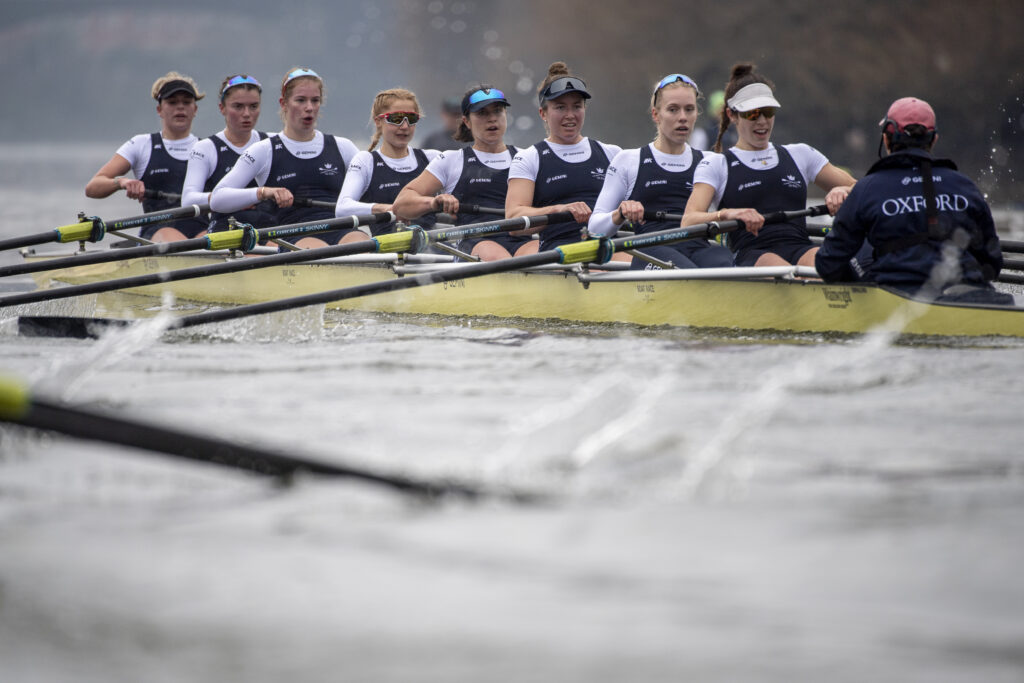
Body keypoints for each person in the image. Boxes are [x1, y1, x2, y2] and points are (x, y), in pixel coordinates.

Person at [815, 97, 1010, 304]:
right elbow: (993, 263)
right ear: (933, 140)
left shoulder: (867, 189)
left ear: (887, 138)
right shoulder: (965, 186)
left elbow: (828, 264)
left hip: (894, 298)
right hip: (968, 298)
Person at [682, 63, 855, 268]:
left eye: (768, 111)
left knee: (825, 262)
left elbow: (864, 192)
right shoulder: (717, 164)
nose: (762, 121)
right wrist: (727, 214)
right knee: (781, 268)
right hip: (752, 255)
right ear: (732, 115)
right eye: (752, 114)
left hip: (801, 247)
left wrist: (844, 190)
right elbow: (689, 221)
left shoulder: (800, 154)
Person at [588, 73, 733, 270]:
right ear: (656, 114)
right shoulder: (629, 161)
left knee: (729, 267)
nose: (682, 117)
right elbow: (595, 228)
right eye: (673, 109)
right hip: (649, 250)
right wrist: (620, 213)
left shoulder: (712, 162)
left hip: (698, 249)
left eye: (689, 109)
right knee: (689, 273)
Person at [210, 67, 363, 248]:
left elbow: (374, 187)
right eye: (300, 100)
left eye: (315, 100)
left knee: (362, 244)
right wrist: (264, 192)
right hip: (293, 234)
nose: (309, 108)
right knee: (318, 251)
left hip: (342, 228)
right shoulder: (263, 151)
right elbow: (217, 199)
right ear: (283, 103)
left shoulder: (343, 147)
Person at [393, 85, 533, 260]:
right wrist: (433, 202)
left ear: (506, 115)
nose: (492, 119)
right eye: (482, 113)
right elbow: (401, 204)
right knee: (497, 256)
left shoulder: (529, 157)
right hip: (475, 245)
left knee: (540, 254)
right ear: (466, 121)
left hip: (524, 240)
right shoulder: (451, 160)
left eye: (497, 111)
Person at [506, 62, 622, 252]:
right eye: (560, 108)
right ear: (543, 113)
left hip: (608, 248)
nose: (570, 115)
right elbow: (513, 220)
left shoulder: (613, 154)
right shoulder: (529, 158)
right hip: (559, 252)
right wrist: (558, 209)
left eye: (577, 106)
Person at [84, 71, 208, 241]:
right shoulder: (141, 145)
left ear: (195, 109)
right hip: (157, 234)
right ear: (159, 109)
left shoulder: (208, 147)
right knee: (176, 239)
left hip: (203, 232)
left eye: (186, 102)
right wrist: (122, 182)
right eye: (172, 102)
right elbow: (92, 187)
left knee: (212, 240)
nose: (180, 107)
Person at [334, 88, 438, 236]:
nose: (404, 126)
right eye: (396, 119)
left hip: (433, 251)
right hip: (388, 253)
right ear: (378, 121)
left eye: (411, 119)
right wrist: (389, 209)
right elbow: (342, 208)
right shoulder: (366, 161)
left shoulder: (432, 158)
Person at [181, 74, 274, 233]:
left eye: (253, 106)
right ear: (222, 108)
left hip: (270, 230)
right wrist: (237, 198)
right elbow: (188, 200)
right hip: (227, 231)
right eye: (238, 106)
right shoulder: (205, 148)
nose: (246, 113)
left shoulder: (272, 142)